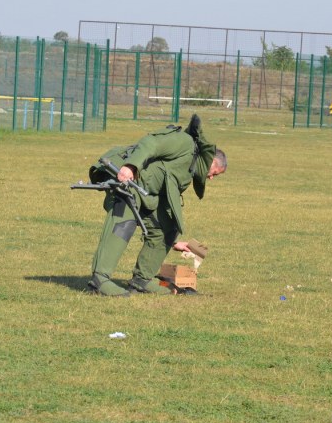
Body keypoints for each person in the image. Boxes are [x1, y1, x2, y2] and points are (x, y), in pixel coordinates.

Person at [85, 114, 227, 296]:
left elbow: (164, 199)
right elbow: (151, 143)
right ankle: (99, 280)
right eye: (215, 173)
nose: (211, 178)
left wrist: (173, 242)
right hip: (126, 177)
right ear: (211, 160)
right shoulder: (185, 143)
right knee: (124, 221)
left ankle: (142, 280)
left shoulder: (188, 170)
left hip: (144, 190)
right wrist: (131, 166)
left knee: (167, 228)